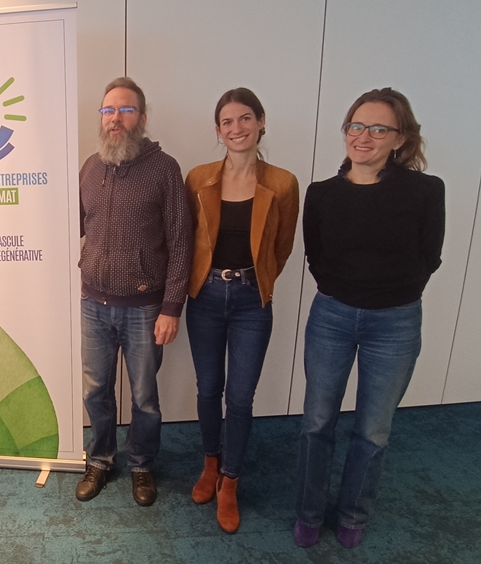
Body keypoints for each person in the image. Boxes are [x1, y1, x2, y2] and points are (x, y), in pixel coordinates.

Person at [294, 88, 445, 548]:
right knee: (317, 422)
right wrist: (349, 291)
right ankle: (308, 511)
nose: (364, 136)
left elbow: (430, 256)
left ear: (399, 140)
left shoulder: (426, 190)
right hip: (332, 316)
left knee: (373, 430)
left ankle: (354, 515)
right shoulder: (321, 194)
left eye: (379, 128)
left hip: (395, 323)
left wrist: (389, 293)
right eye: (356, 126)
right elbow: (315, 256)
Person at [185, 88, 299, 533]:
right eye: (227, 122)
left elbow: (283, 246)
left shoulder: (283, 183)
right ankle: (210, 464)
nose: (237, 128)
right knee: (208, 387)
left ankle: (230, 480)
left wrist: (259, 280)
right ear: (218, 130)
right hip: (206, 298)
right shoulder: (198, 179)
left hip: (253, 299)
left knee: (241, 396)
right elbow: (187, 240)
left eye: (245, 119)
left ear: (261, 122)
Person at [76, 77, 193, 506]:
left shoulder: (165, 169)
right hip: (93, 303)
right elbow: (78, 225)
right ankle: (101, 458)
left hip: (145, 307)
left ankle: (142, 463)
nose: (115, 119)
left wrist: (171, 307)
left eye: (125, 110)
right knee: (95, 390)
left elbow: (182, 243)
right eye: (108, 110)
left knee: (144, 395)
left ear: (141, 118)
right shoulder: (90, 167)